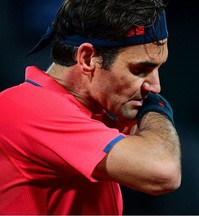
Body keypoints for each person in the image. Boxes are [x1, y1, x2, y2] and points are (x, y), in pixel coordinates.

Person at [0, 0, 181, 214]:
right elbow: (163, 172)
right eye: (140, 69)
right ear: (87, 58)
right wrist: (157, 110)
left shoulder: (100, 110)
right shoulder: (24, 108)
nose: (155, 87)